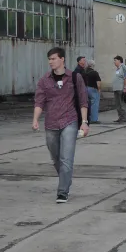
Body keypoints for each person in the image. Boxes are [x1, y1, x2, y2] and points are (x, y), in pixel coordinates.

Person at [32, 47, 89, 203]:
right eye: (49, 59)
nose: (51, 62)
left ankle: (62, 191)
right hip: (51, 124)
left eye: (54, 58)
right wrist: (35, 119)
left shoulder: (75, 77)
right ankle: (66, 179)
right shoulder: (44, 80)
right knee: (56, 159)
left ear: (62, 59)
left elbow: (83, 101)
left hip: (69, 121)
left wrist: (84, 122)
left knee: (66, 159)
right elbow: (39, 102)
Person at [112, 56, 126, 123]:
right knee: (118, 104)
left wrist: (125, 88)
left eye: (115, 60)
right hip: (116, 89)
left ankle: (125, 118)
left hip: (121, 89)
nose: (114, 62)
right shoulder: (117, 69)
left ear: (119, 61)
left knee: (122, 104)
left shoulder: (123, 67)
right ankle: (120, 117)